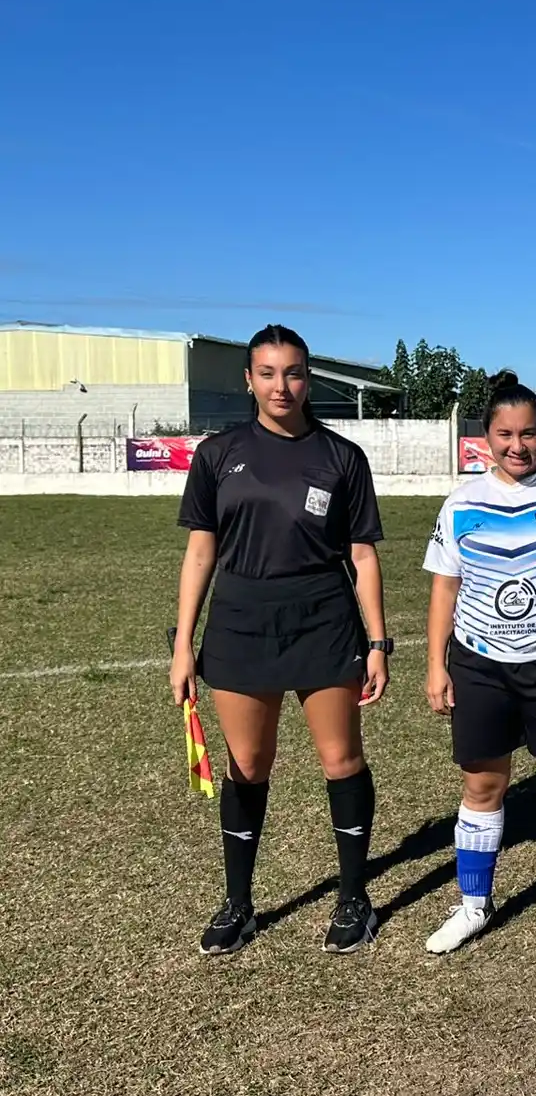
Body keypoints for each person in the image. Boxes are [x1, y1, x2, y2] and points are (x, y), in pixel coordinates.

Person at [170, 324, 391, 956]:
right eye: (267, 373)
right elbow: (200, 551)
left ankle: (354, 898)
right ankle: (239, 904)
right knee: (248, 766)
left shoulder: (341, 456)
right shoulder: (218, 454)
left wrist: (376, 643)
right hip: (240, 622)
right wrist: (184, 643)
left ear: (308, 378)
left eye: (292, 373)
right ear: (248, 380)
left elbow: (363, 557)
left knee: (341, 760)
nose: (281, 386)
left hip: (323, 620)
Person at [421, 371, 536, 958]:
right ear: (485, 438)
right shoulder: (461, 504)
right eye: (505, 434)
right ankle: (474, 905)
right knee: (482, 784)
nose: (517, 446)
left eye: (529, 434)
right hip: (479, 665)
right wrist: (436, 664)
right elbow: (444, 591)